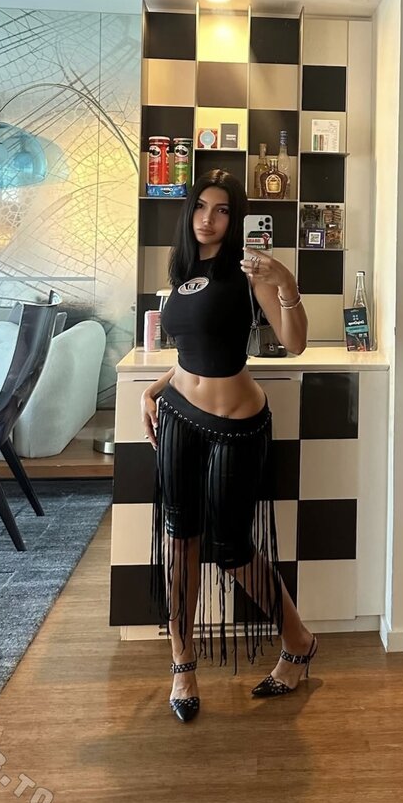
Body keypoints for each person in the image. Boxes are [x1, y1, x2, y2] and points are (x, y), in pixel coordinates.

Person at [140, 169, 317, 722]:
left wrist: (285, 280)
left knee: (232, 548)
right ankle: (182, 665)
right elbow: (192, 352)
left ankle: (299, 641)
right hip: (179, 414)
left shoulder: (248, 270)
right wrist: (156, 387)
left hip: (237, 423)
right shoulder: (181, 269)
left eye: (220, 210)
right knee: (180, 541)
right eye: (200, 206)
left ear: (233, 219)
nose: (207, 218)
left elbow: (295, 342)